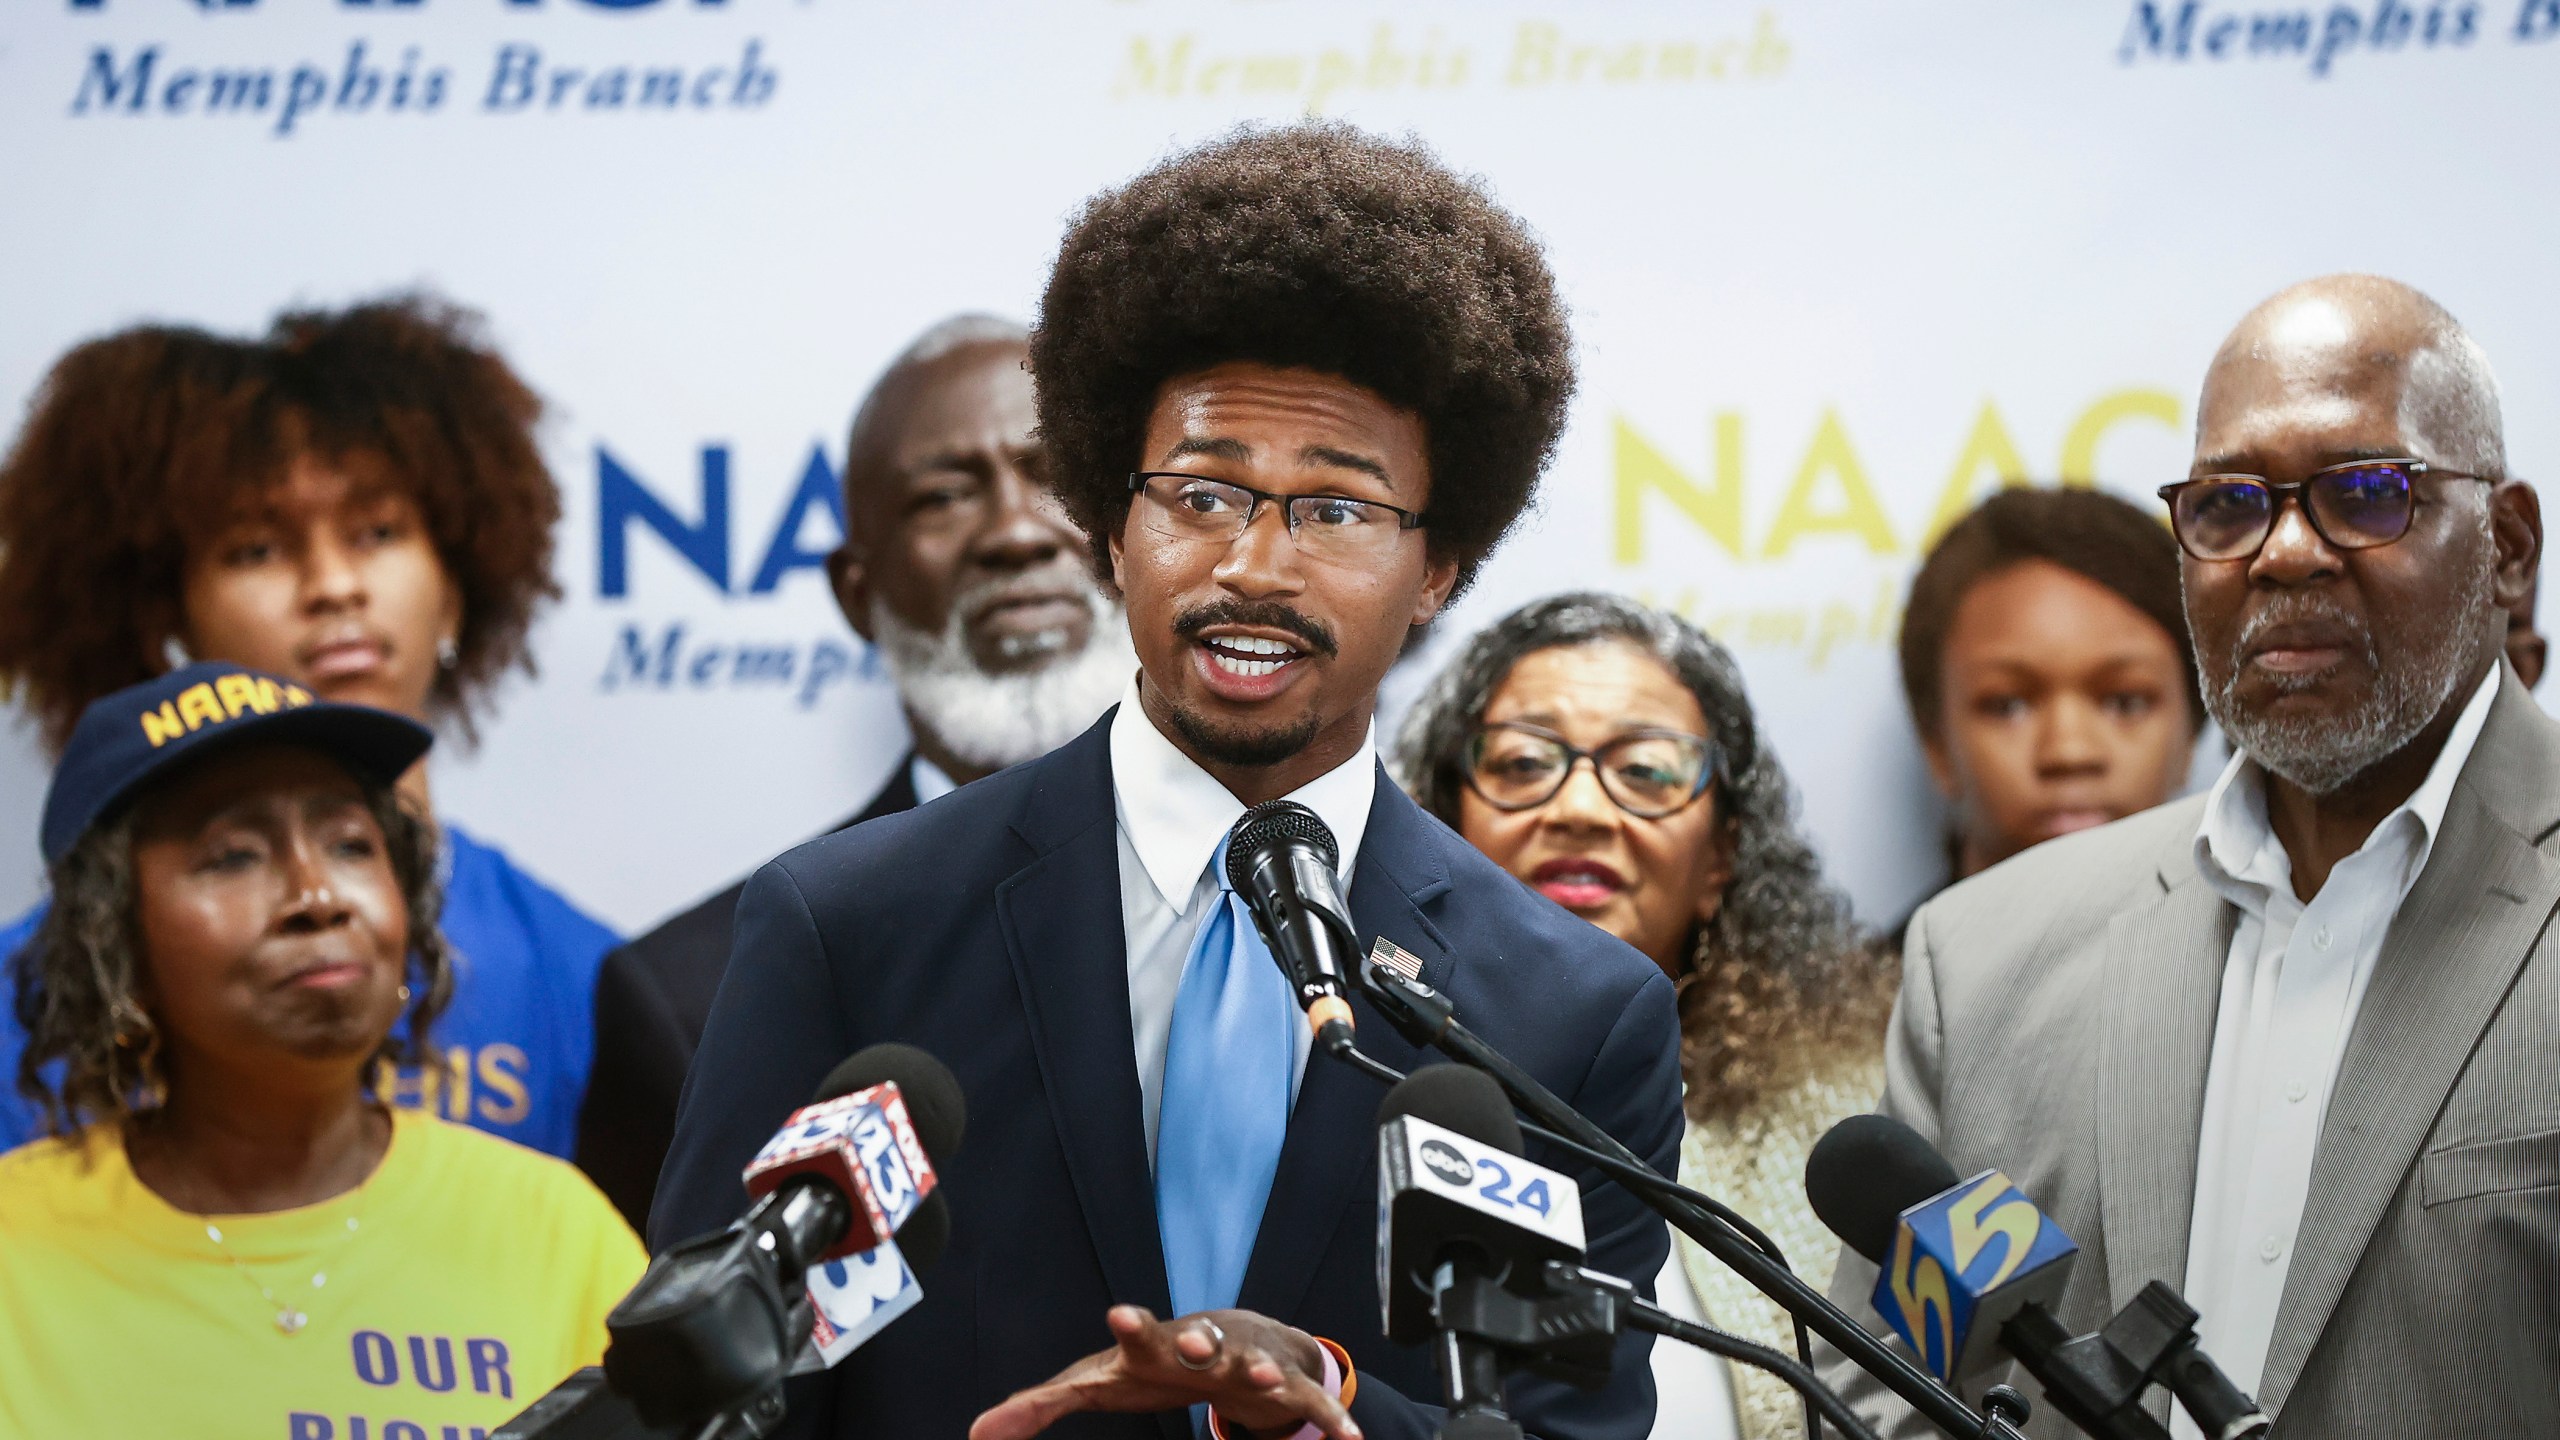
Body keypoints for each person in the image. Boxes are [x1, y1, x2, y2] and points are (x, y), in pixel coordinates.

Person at [653, 123, 1681, 1440]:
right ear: (1108, 524)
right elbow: (721, 1401)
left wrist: (1331, 1406)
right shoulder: (849, 929)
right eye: (1202, 493)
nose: (1253, 565)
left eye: (1336, 508)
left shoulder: (1572, 1022)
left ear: (1441, 570)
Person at [1823, 274, 2556, 1437]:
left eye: (2364, 493)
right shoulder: (1986, 960)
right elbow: (1896, 1400)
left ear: (2506, 548)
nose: (2286, 553)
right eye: (2228, 507)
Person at [0, 297, 620, 1160]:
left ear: (455, 587)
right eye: (257, 549)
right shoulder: (31, 993)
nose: (333, 585)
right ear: (162, 617)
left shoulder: (584, 976)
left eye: (377, 532)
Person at [578, 314, 1130, 1232]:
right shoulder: (698, 995)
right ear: (855, 591)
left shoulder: (1322, 909)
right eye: (945, 497)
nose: (1014, 535)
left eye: (1054, 478)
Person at [0, 664, 643, 1440]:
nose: (318, 895)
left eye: (350, 844)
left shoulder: (558, 1233)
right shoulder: (16, 1245)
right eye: (232, 855)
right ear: (114, 943)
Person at [1397, 593, 1892, 1440]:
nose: (1581, 809)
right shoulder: (1351, 1069)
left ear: (1721, 859)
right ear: (1442, 824)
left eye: (1647, 771)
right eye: (1522, 763)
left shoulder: (1859, 1110)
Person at [1898, 487, 2201, 886]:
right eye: (2008, 706)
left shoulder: (2267, 949)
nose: (2069, 752)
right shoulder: (1889, 953)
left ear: (2191, 732)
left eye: (2125, 702)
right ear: (1936, 742)